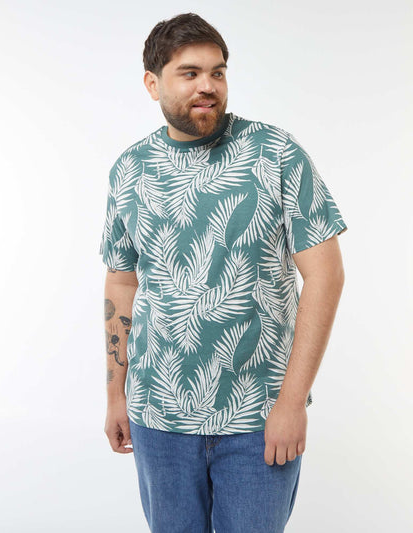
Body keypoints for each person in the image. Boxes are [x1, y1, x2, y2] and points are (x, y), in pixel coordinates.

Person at [99, 12, 348, 533]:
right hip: (158, 417)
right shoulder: (130, 169)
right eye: (189, 73)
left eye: (217, 72)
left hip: (258, 418)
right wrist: (116, 395)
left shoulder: (276, 153)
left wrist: (291, 403)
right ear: (152, 84)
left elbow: (325, 276)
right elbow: (122, 282)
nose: (208, 86)